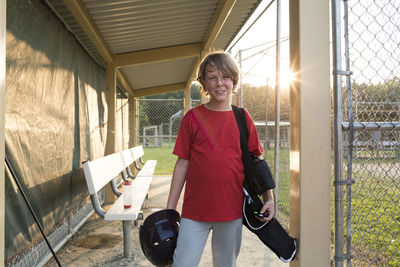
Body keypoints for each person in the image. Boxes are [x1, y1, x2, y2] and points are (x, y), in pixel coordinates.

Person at [166, 52, 275, 267]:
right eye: (213, 77)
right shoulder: (193, 118)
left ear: (234, 80)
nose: (219, 83)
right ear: (204, 83)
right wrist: (170, 210)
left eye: (225, 77)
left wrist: (268, 197)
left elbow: (257, 162)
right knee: (182, 263)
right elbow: (182, 164)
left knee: (225, 264)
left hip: (231, 211)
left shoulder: (243, 118)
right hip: (194, 212)